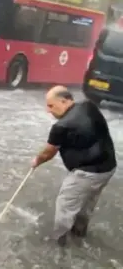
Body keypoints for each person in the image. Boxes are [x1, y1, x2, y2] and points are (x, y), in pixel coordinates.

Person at [31, 85, 117, 247]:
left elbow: (48, 153)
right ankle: (79, 234)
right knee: (86, 204)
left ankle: (58, 245)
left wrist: (36, 161)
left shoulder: (61, 126)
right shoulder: (88, 106)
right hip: (108, 168)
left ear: (64, 101)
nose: (48, 110)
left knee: (65, 205)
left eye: (51, 105)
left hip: (87, 173)